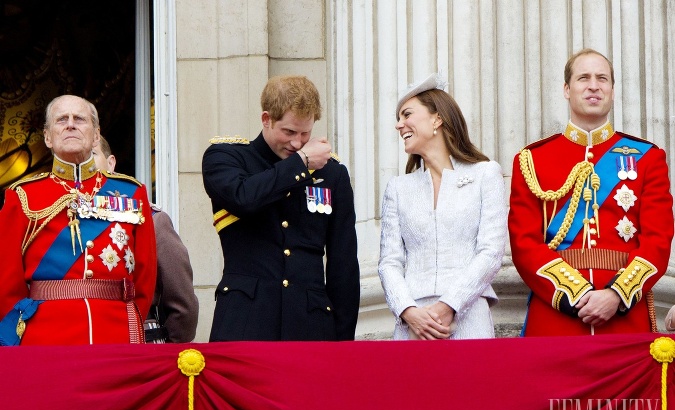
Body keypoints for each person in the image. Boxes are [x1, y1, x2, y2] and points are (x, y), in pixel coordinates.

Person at [509, 49, 674, 336]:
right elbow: (523, 244)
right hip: (555, 317)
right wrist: (576, 295)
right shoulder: (532, 159)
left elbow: (658, 241)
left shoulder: (647, 157)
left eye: (602, 78)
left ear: (612, 90)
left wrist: (616, 296)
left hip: (624, 317)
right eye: (583, 78)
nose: (594, 85)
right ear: (566, 90)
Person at [202, 75, 360, 341]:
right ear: (266, 119)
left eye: (305, 133)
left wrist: (343, 344)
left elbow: (343, 264)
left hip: (310, 328)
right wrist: (301, 163)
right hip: (245, 324)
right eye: (288, 132)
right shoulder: (227, 157)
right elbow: (244, 198)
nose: (297, 143)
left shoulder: (333, 174)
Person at [0, 95, 157, 345]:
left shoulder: (132, 193)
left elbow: (145, 277)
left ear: (96, 136)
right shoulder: (22, 196)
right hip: (44, 337)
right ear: (48, 137)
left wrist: (131, 321)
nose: (71, 124)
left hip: (115, 333)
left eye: (80, 119)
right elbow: (7, 285)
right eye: (62, 119)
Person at [378, 73, 508, 340]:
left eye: (407, 114)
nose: (399, 125)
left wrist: (449, 305)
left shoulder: (486, 174)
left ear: (437, 118)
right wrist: (408, 311)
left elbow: (491, 252)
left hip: (468, 317)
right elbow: (389, 262)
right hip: (412, 324)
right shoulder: (398, 188)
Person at [92, 136, 199, 343]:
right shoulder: (58, 221)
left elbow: (182, 306)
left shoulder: (150, 219)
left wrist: (167, 348)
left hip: (139, 342)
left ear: (111, 163)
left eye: (92, 155)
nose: (85, 164)